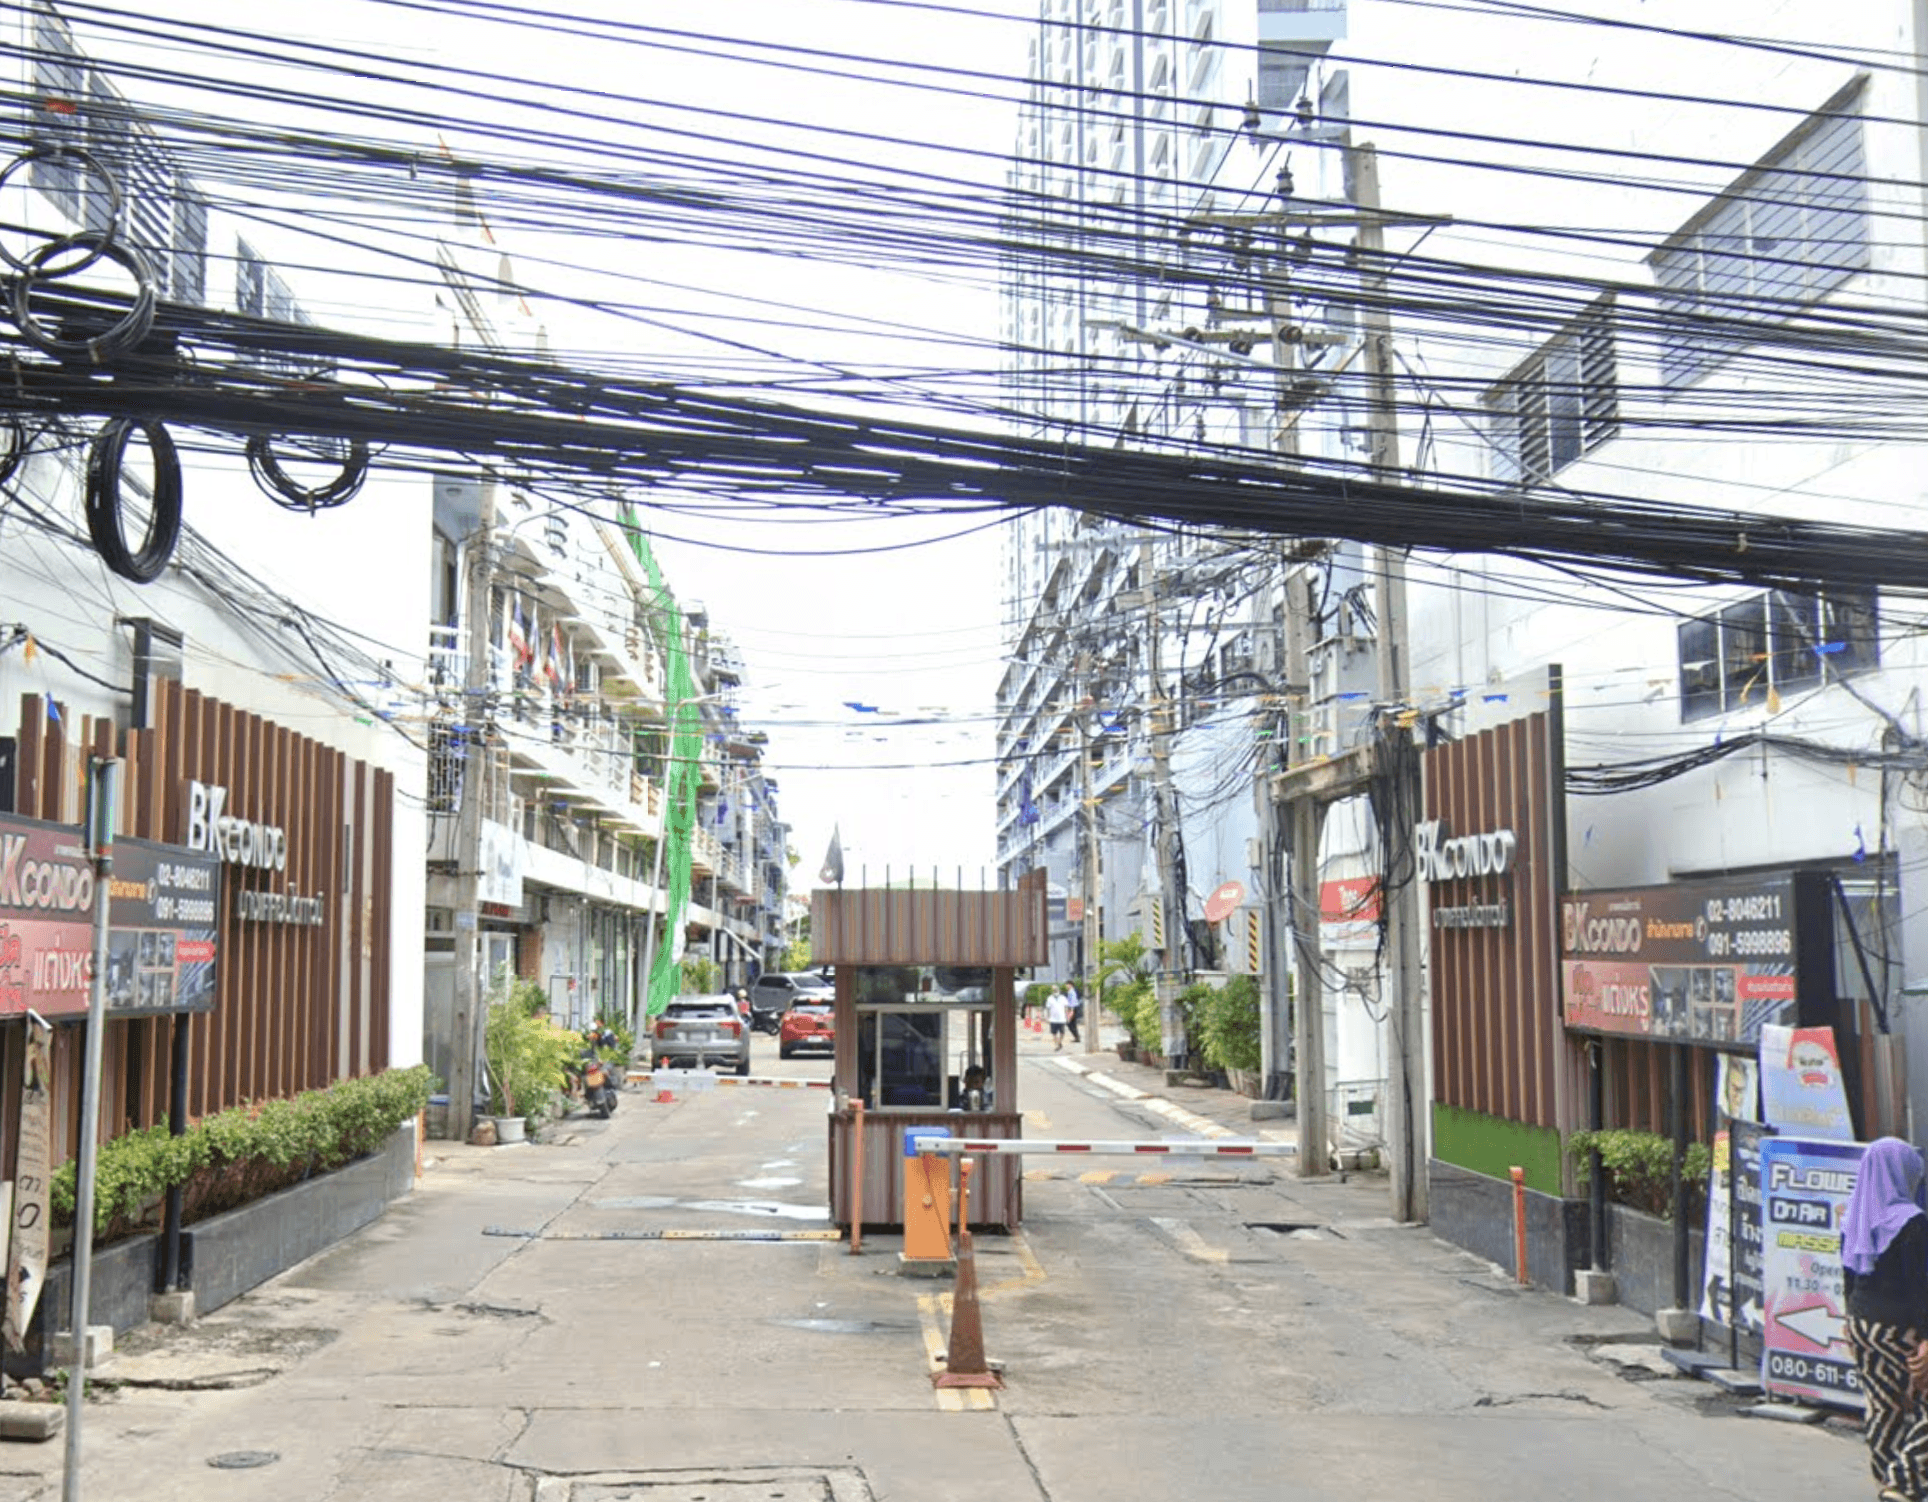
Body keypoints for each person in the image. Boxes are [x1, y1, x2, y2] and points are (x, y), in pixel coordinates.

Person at [1843, 1136, 1928, 1501]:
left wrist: (1848, 1323)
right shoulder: (1912, 1223)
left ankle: (1886, 1476)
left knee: (1884, 1403)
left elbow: (1848, 1272)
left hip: (1862, 1323)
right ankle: (1904, 1481)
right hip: (1901, 1327)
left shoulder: (1855, 1217)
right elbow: (1919, 1287)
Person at [1045, 987, 1070, 1051]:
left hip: (1061, 1018)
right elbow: (1048, 1008)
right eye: (1054, 991)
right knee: (1054, 1033)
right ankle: (1057, 1045)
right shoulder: (1050, 998)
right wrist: (1047, 1017)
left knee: (1062, 1033)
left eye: (1056, 990)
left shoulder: (1063, 998)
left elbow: (1066, 1008)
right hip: (1053, 1019)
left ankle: (1059, 1042)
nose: (1055, 992)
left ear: (1059, 991)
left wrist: (1067, 1016)